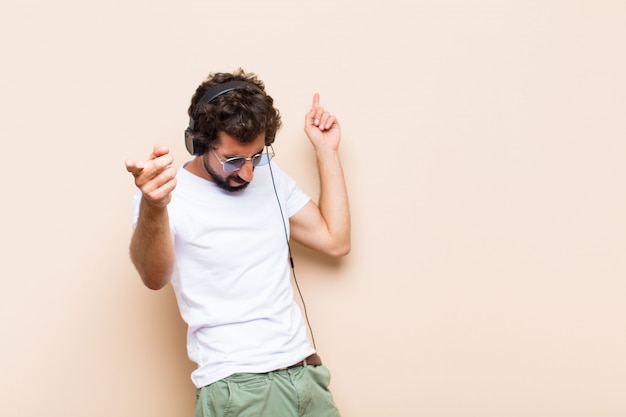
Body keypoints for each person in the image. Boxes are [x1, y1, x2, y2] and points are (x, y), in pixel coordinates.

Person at [124, 69, 350, 417]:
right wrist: (154, 206)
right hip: (240, 388)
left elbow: (334, 240)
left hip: (305, 374)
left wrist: (326, 151)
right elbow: (153, 277)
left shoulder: (269, 175)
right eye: (232, 160)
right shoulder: (168, 195)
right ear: (199, 142)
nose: (246, 172)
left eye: (256, 156)